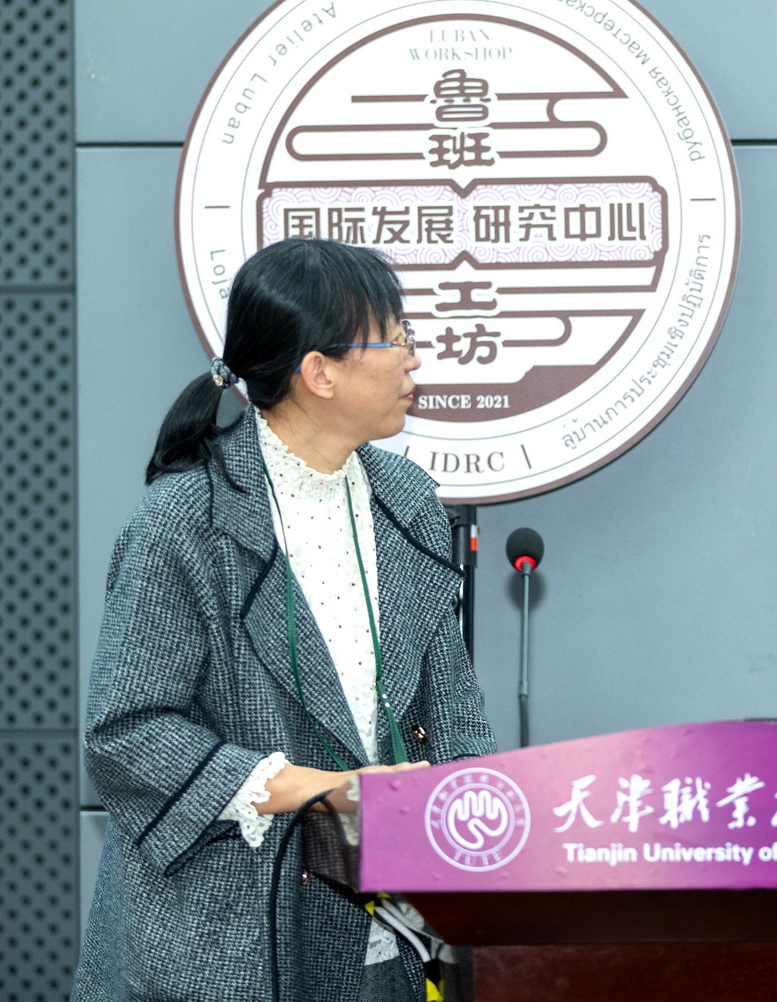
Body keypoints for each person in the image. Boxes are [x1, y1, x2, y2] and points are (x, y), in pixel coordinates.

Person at [74, 238, 495, 1002]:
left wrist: (473, 831)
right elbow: (126, 735)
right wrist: (322, 788)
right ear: (319, 372)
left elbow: (454, 714)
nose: (414, 359)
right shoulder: (184, 522)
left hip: (393, 932)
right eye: (394, 338)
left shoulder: (406, 499)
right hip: (226, 940)